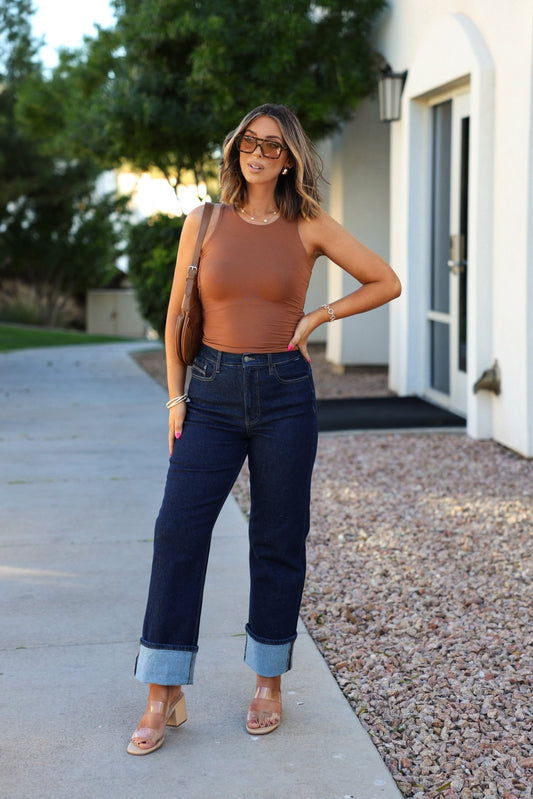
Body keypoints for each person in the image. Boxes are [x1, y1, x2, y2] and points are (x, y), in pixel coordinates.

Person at [127, 103, 401, 755]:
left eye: (272, 145)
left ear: (289, 159)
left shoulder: (307, 224)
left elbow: (384, 280)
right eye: (248, 141)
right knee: (178, 530)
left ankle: (268, 682)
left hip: (284, 394)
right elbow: (174, 318)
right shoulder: (204, 221)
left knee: (277, 538)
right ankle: (162, 688)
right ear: (234, 150)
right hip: (211, 394)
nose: (257, 152)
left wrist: (317, 317)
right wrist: (174, 399)